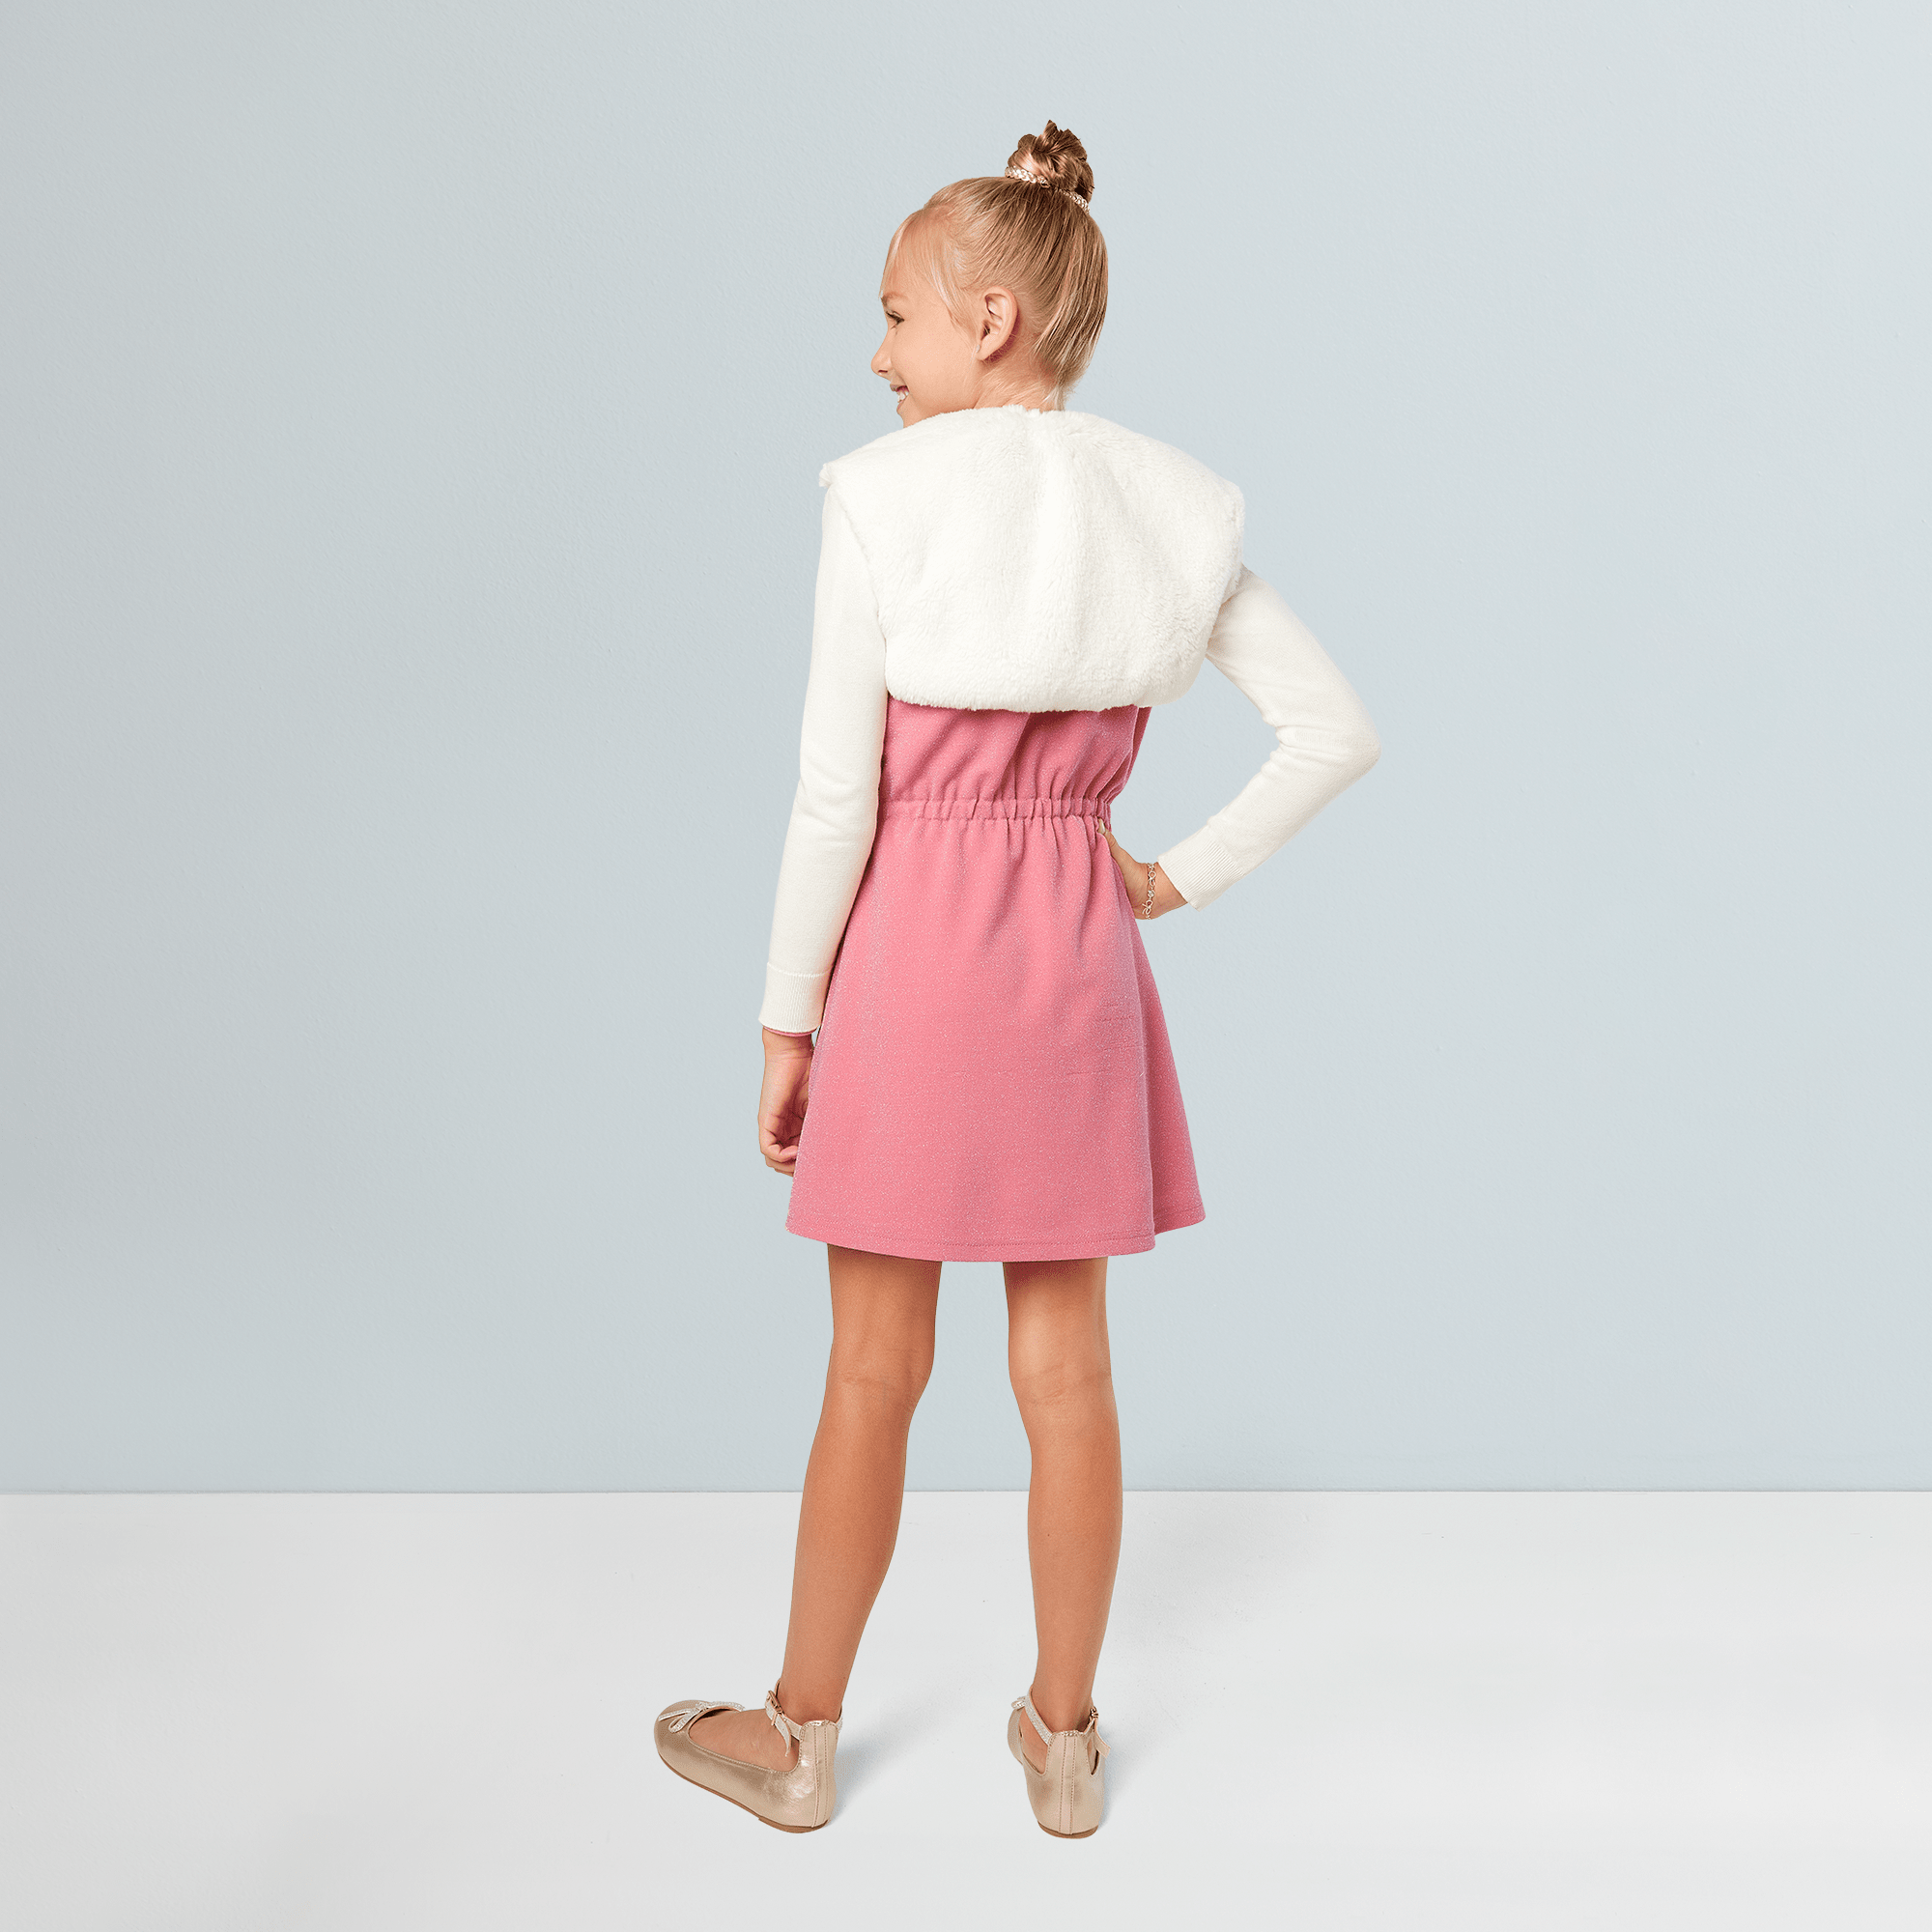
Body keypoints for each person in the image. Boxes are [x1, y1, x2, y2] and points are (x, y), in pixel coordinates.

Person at [656, 121, 1380, 1838]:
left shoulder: (882, 495)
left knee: (871, 1370)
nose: (878, 352)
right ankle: (1063, 1742)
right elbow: (1333, 730)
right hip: (1073, 970)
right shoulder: (1169, 505)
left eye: (895, 313)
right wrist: (1168, 876)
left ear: (988, 320)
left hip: (912, 964)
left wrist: (786, 1018)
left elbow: (837, 797)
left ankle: (798, 1737)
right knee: (1067, 1376)